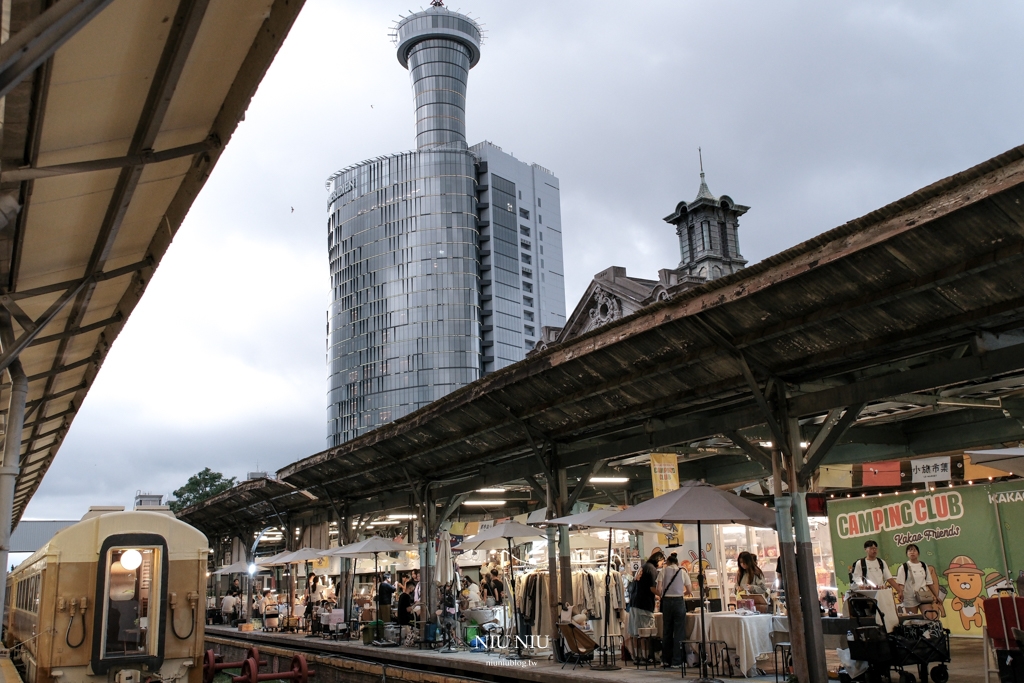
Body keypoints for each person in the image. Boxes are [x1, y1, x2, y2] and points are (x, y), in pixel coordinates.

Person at [627, 550, 664, 664]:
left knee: (635, 633)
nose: (662, 564)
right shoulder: (652, 569)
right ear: (658, 560)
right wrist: (662, 595)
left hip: (633, 604)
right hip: (644, 605)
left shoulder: (643, 567)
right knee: (645, 633)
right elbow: (652, 588)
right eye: (663, 561)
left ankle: (636, 657)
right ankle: (646, 657)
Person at [657, 552, 692, 668]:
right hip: (678, 601)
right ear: (677, 563)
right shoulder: (682, 572)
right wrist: (683, 593)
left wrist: (663, 595)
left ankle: (665, 660)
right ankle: (677, 661)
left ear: (668, 563)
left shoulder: (663, 571)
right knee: (679, 631)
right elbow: (689, 589)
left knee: (667, 630)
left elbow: (659, 589)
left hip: (667, 602)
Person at [895, 544, 936, 615]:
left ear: (918, 553)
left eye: (914, 550)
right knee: (913, 620)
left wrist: (936, 596)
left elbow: (929, 582)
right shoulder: (903, 567)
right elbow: (901, 583)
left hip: (924, 595)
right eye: (909, 550)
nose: (912, 552)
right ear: (907, 554)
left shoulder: (923, 565)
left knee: (929, 618)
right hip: (910, 597)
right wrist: (900, 593)